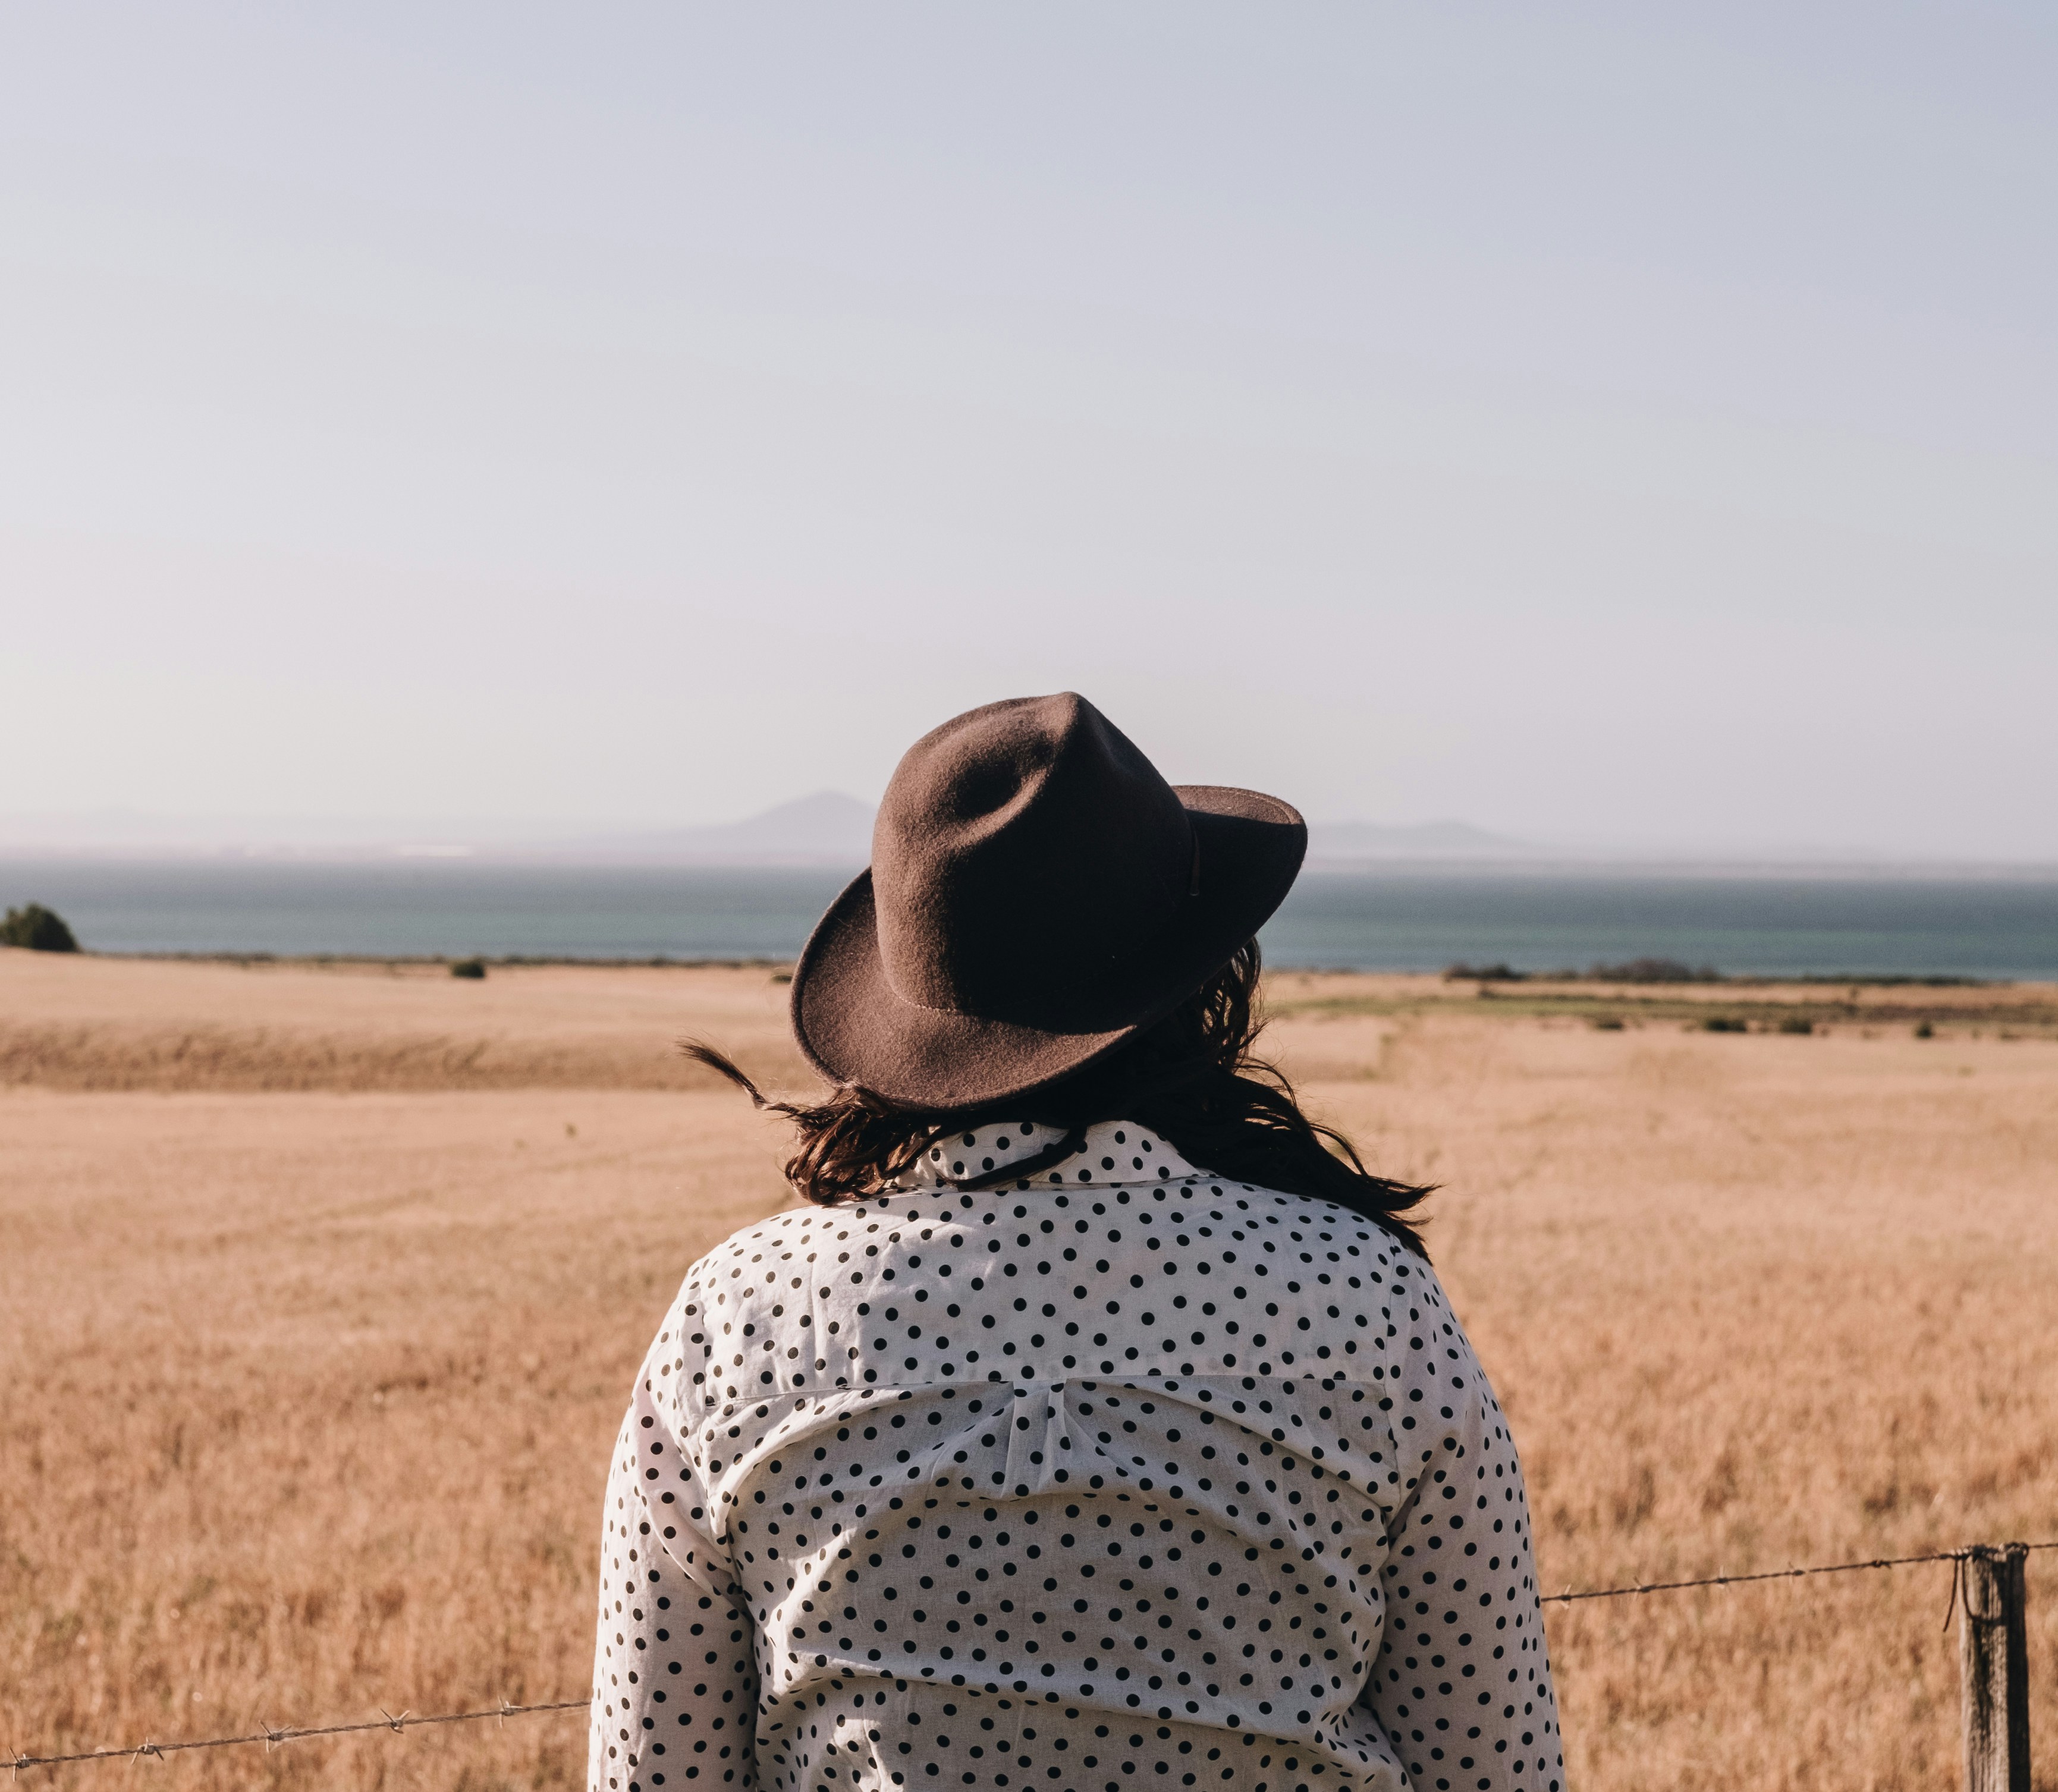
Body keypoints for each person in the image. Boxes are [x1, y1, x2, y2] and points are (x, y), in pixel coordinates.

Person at [590, 693, 1561, 1792]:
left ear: (909, 1008)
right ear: (1199, 983)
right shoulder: (1362, 1297)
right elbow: (1496, 1765)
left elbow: (653, 1773)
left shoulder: (737, 1315)